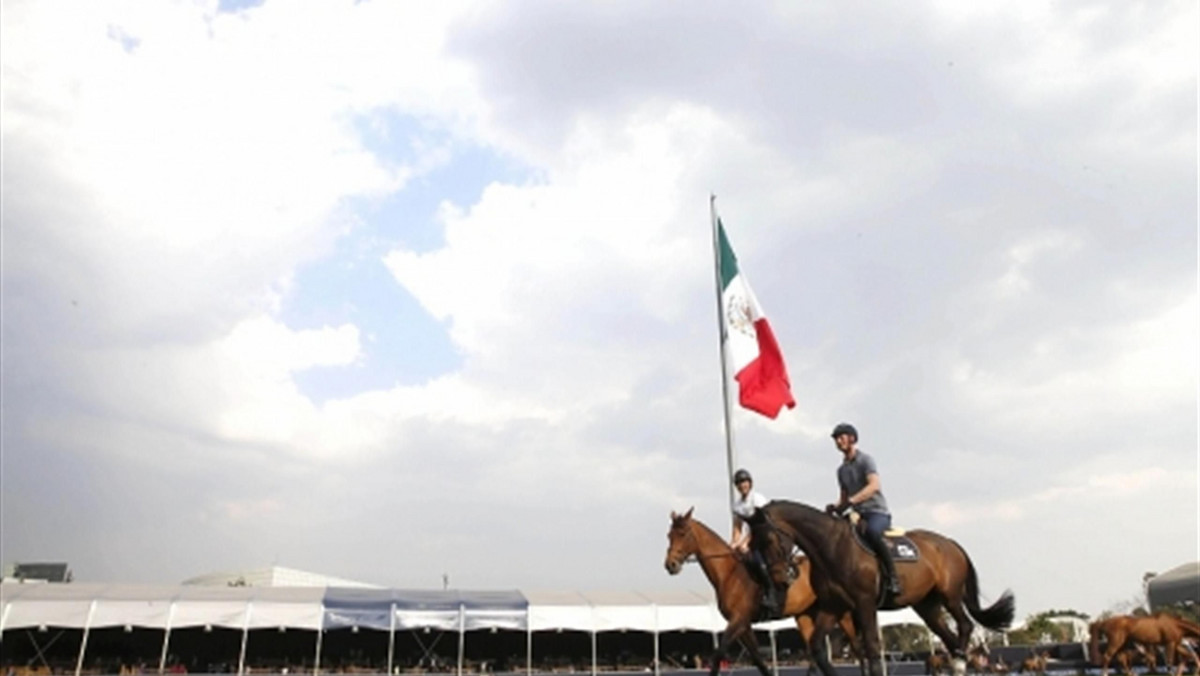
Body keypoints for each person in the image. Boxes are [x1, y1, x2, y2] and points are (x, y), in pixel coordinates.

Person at [825, 422, 902, 599]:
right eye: (836, 439)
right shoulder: (841, 470)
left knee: (873, 533)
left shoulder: (866, 460)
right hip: (857, 514)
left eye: (841, 437)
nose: (838, 441)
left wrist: (852, 501)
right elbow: (844, 498)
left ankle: (892, 577)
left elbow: (874, 485)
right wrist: (835, 507)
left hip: (876, 512)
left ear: (852, 438)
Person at [730, 468, 781, 614]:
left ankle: (771, 594)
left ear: (750, 483)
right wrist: (733, 544)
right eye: (739, 483)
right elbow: (737, 527)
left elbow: (759, 524)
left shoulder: (757, 499)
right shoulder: (737, 505)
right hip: (750, 538)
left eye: (744, 482)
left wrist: (745, 542)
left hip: (764, 534)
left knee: (758, 560)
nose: (742, 485)